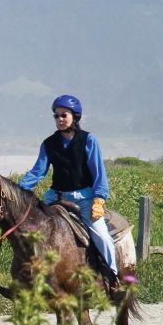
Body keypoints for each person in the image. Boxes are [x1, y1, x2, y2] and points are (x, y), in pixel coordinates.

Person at [18, 94, 121, 294]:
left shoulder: (88, 140)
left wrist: (99, 199)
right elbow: (37, 172)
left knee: (102, 236)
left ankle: (113, 278)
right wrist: (19, 190)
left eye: (63, 115)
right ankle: (26, 279)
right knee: (29, 233)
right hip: (55, 198)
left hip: (84, 200)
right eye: (55, 116)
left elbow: (99, 172)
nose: (59, 120)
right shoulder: (49, 143)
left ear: (75, 116)